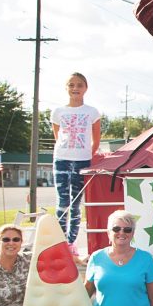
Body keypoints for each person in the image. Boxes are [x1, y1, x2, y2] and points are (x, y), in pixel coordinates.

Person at [52, 72, 101, 257]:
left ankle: (71, 242)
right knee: (62, 201)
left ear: (85, 88)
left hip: (82, 159)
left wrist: (88, 153)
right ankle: (59, 242)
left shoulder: (92, 112)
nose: (75, 88)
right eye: (71, 85)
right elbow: (58, 136)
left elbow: (96, 139)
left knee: (75, 202)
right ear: (66, 88)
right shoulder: (58, 112)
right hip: (61, 158)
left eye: (79, 85)